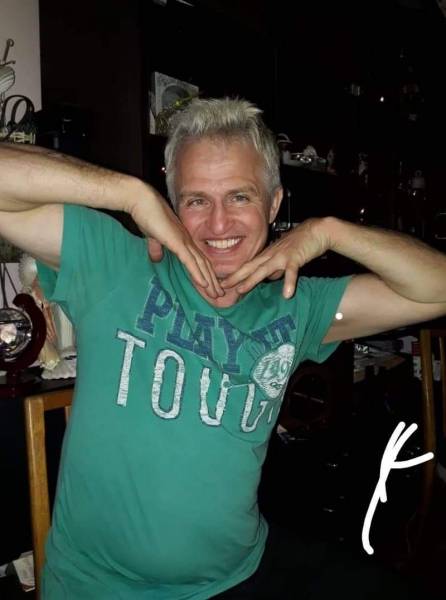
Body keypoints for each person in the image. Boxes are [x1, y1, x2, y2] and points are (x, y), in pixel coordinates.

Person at [0, 97, 445, 599]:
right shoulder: (117, 263)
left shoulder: (297, 304)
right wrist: (130, 194)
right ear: (173, 206)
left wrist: (328, 232)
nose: (218, 225)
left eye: (239, 197)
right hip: (100, 589)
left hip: (237, 576)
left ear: (273, 204)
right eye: (196, 200)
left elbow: (437, 288)